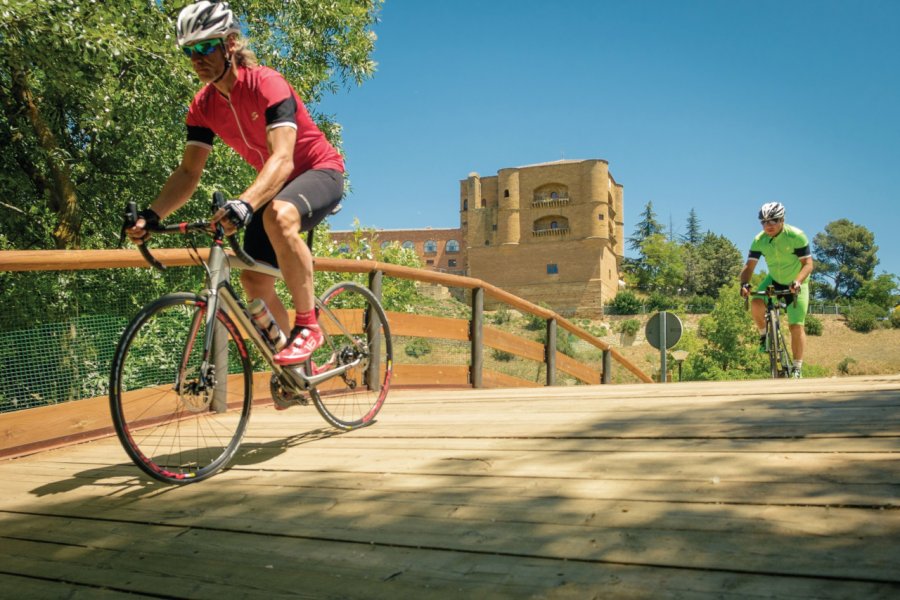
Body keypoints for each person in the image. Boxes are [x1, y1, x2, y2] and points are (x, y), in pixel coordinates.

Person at [126, 1, 344, 366]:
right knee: (255, 282)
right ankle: (298, 368)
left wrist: (245, 202)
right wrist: (151, 214)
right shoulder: (203, 106)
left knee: (278, 215)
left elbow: (283, 159)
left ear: (229, 44)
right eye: (189, 51)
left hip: (318, 172)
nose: (196, 59)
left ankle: (309, 326)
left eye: (204, 47)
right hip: (274, 190)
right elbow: (188, 173)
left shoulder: (266, 84)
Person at [739, 202, 814, 377]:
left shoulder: (797, 236)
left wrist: (797, 282)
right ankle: (764, 336)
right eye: (764, 222)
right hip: (774, 279)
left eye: (772, 221)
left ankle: (797, 368)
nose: (768, 225)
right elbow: (749, 267)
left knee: (796, 326)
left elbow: (809, 264)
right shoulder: (759, 240)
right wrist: (744, 285)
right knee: (756, 300)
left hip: (797, 282)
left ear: (782, 220)